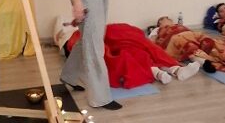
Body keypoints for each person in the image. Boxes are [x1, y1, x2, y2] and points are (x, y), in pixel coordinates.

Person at [63, 23, 201, 88]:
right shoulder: (73, 36)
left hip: (115, 33)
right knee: (131, 53)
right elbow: (81, 44)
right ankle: (164, 71)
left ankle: (176, 69)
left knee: (143, 46)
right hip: (106, 38)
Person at [153, 17, 225, 74]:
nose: (168, 19)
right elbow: (153, 42)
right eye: (164, 18)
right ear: (160, 23)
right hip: (177, 38)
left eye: (168, 18)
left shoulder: (178, 25)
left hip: (191, 35)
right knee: (189, 46)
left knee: (211, 42)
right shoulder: (158, 30)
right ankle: (205, 63)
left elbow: (189, 30)